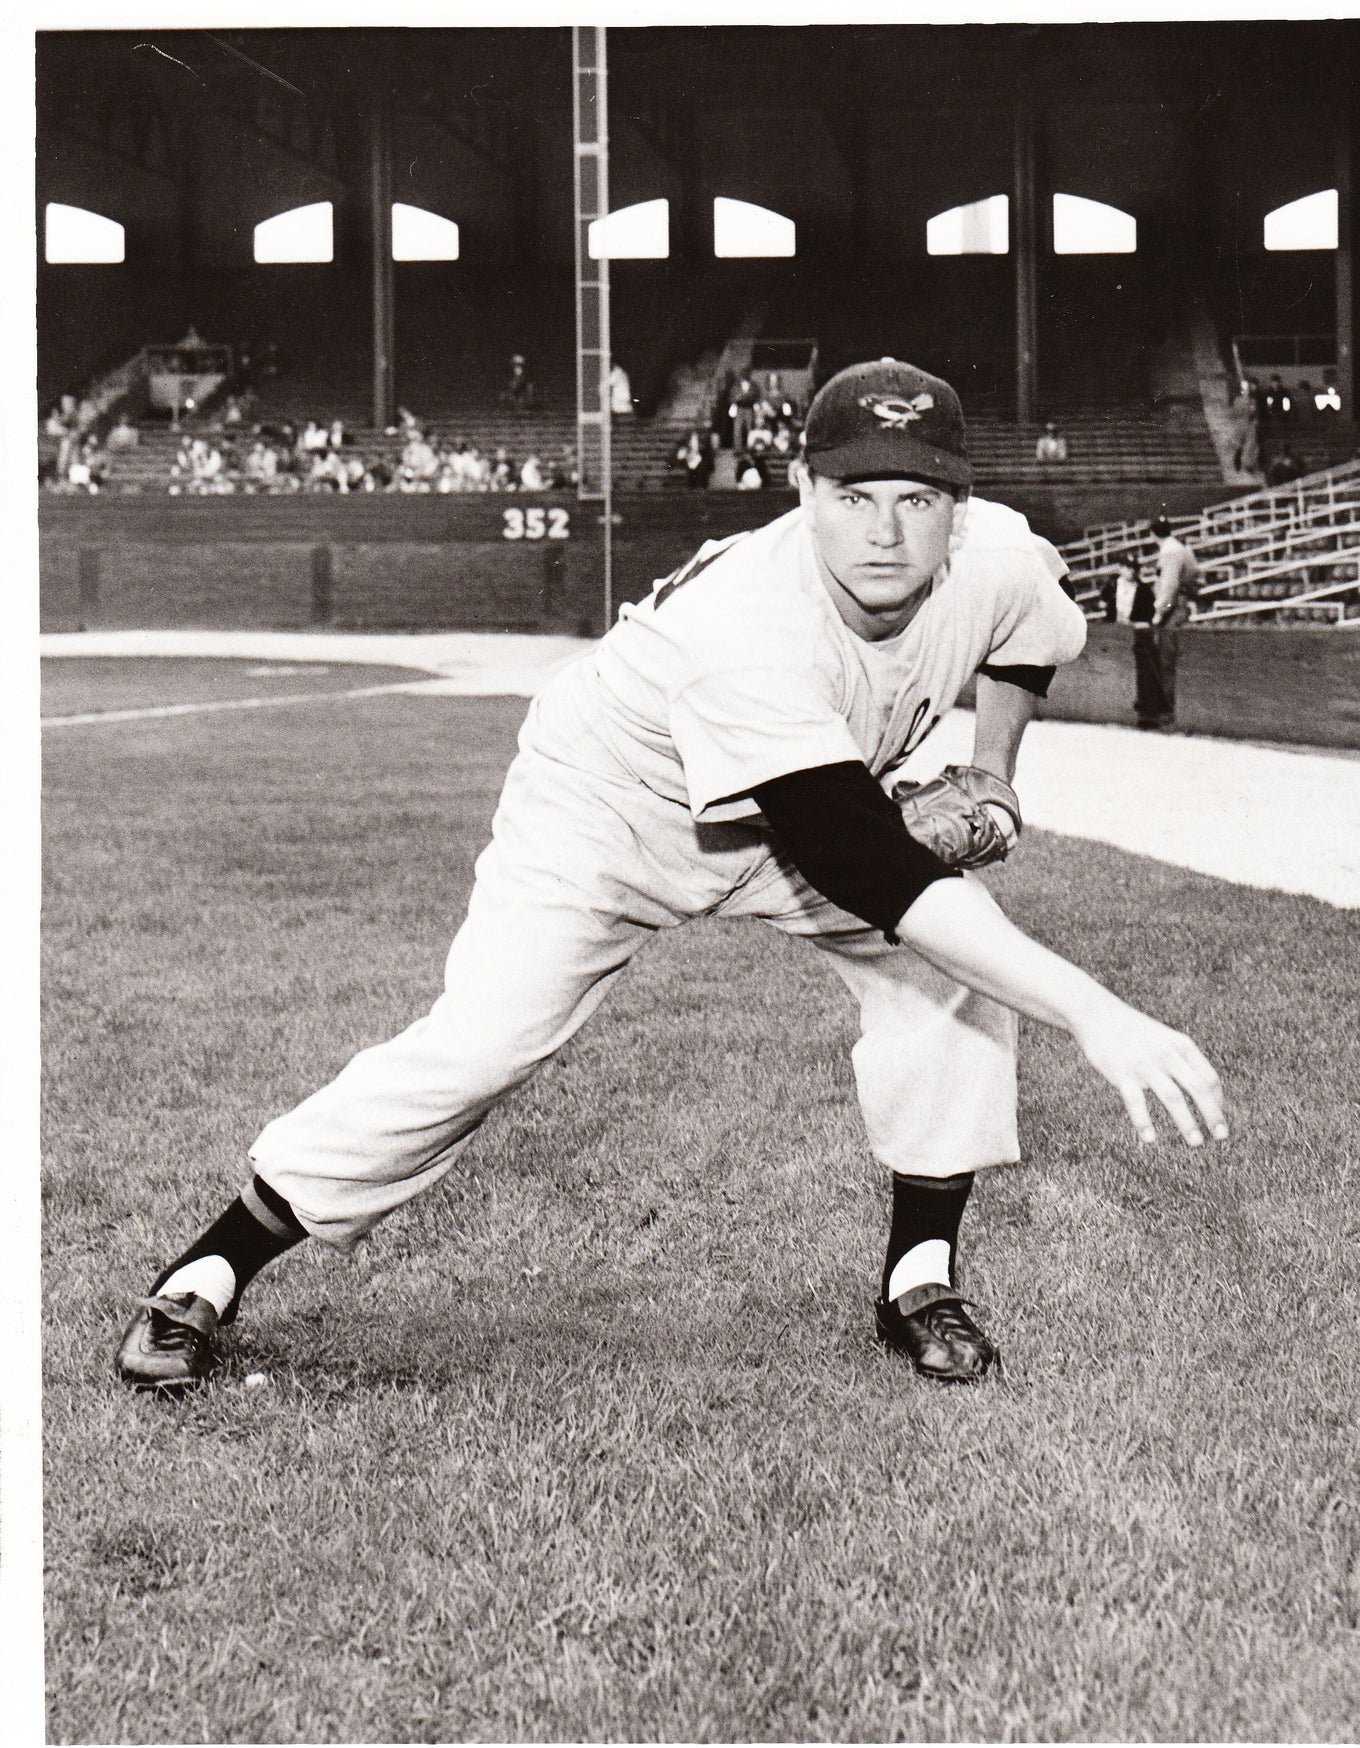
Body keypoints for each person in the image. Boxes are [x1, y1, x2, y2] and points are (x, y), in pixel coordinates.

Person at [114, 358, 1227, 1394]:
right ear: (799, 488)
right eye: (852, 494)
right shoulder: (743, 624)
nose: (886, 530)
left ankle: (916, 1278)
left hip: (802, 805)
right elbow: (860, 859)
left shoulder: (996, 557)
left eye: (917, 498)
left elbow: (1029, 638)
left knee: (948, 985)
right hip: (607, 810)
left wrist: (989, 769)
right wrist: (1095, 1011)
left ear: (960, 504)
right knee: (485, 1042)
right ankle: (211, 1267)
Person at [1132, 517, 1200, 731]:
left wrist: (1158, 615)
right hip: (1178, 604)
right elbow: (1193, 575)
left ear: (1152, 533)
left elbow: (1169, 587)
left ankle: (1167, 713)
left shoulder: (1170, 552)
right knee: (1166, 659)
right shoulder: (1179, 548)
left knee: (1166, 660)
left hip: (1172, 609)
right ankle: (1165, 711)